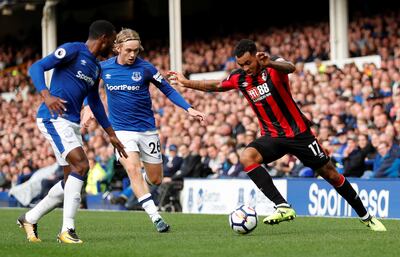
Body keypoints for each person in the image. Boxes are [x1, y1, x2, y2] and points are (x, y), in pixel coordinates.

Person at [168, 39, 386, 231]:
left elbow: (290, 67)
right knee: (247, 157)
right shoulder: (241, 78)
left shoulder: (273, 67)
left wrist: (270, 62)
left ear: (256, 56)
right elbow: (215, 85)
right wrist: (186, 83)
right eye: (241, 65)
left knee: (330, 174)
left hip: (300, 134)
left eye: (248, 63)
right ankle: (282, 206)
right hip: (273, 136)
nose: (245, 68)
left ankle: (366, 216)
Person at [82, 28, 205, 232]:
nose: (132, 55)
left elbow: (166, 88)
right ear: (118, 48)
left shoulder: (146, 68)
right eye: (128, 50)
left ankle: (138, 188)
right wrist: (87, 107)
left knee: (155, 179)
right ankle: (156, 217)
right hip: (121, 131)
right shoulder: (103, 68)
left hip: (147, 130)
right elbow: (89, 90)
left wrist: (189, 108)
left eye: (136, 51)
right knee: (132, 169)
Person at [17, 20, 127, 244]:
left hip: (71, 123)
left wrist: (111, 134)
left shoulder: (95, 67)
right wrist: (46, 95)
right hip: (53, 118)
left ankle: (30, 217)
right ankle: (67, 230)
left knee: (71, 181)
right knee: (82, 165)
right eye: (113, 41)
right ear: (103, 38)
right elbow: (36, 67)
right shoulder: (73, 49)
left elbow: (95, 102)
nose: (114, 46)